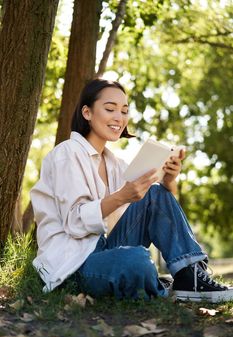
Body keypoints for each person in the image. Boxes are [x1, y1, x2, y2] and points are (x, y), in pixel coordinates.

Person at [30, 78, 233, 303]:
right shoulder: (66, 154)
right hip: (73, 265)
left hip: (104, 249)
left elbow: (161, 212)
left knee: (155, 193)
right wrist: (121, 197)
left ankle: (190, 276)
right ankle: (154, 281)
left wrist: (169, 180)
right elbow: (75, 223)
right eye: (110, 109)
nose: (119, 117)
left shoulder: (115, 164)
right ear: (87, 113)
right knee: (136, 260)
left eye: (124, 111)